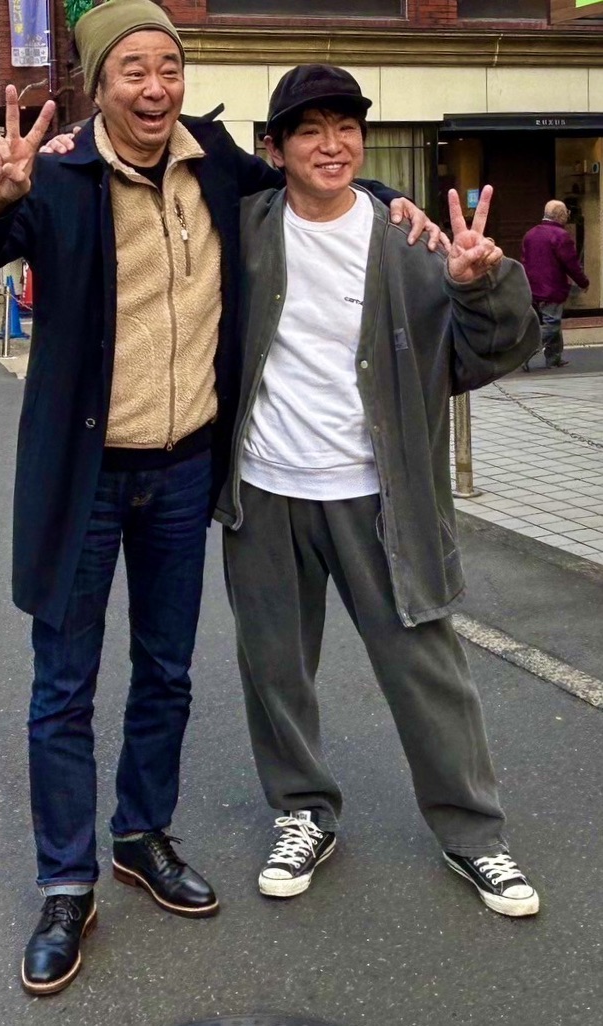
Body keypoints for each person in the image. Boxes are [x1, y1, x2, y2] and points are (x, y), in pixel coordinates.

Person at [0, 0, 437, 996]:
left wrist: (390, 198)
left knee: (166, 670)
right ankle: (66, 883)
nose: (155, 86)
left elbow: (310, 179)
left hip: (181, 470)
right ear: (98, 83)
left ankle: (141, 834)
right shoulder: (57, 175)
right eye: (133, 69)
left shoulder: (216, 164)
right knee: (63, 686)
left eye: (168, 66)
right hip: (83, 474)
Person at [214, 64, 541, 918]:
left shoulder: (411, 242)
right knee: (273, 668)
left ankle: (473, 833)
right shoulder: (243, 229)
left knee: (424, 670)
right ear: (274, 149)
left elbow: (488, 352)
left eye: (346, 127)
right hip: (264, 490)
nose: (332, 145)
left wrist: (479, 283)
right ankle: (301, 811)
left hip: (380, 494)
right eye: (309, 130)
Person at [520, 199, 589, 369]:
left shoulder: (530, 234)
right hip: (552, 287)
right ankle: (526, 351)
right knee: (552, 324)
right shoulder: (560, 236)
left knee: (553, 321)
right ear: (560, 215)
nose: (568, 215)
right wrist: (583, 282)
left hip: (532, 286)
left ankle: (554, 357)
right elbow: (571, 264)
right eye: (566, 212)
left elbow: (524, 261)